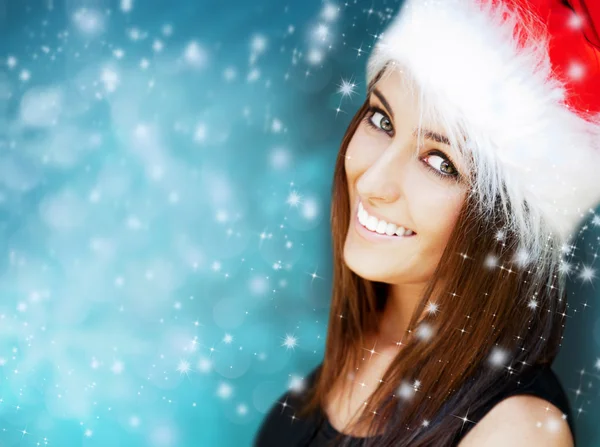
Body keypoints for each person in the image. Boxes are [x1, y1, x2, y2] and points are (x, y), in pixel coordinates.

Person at [254, 0, 600, 445]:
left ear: (506, 225)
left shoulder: (515, 431)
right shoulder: (358, 347)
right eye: (381, 120)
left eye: (440, 162)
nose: (375, 181)